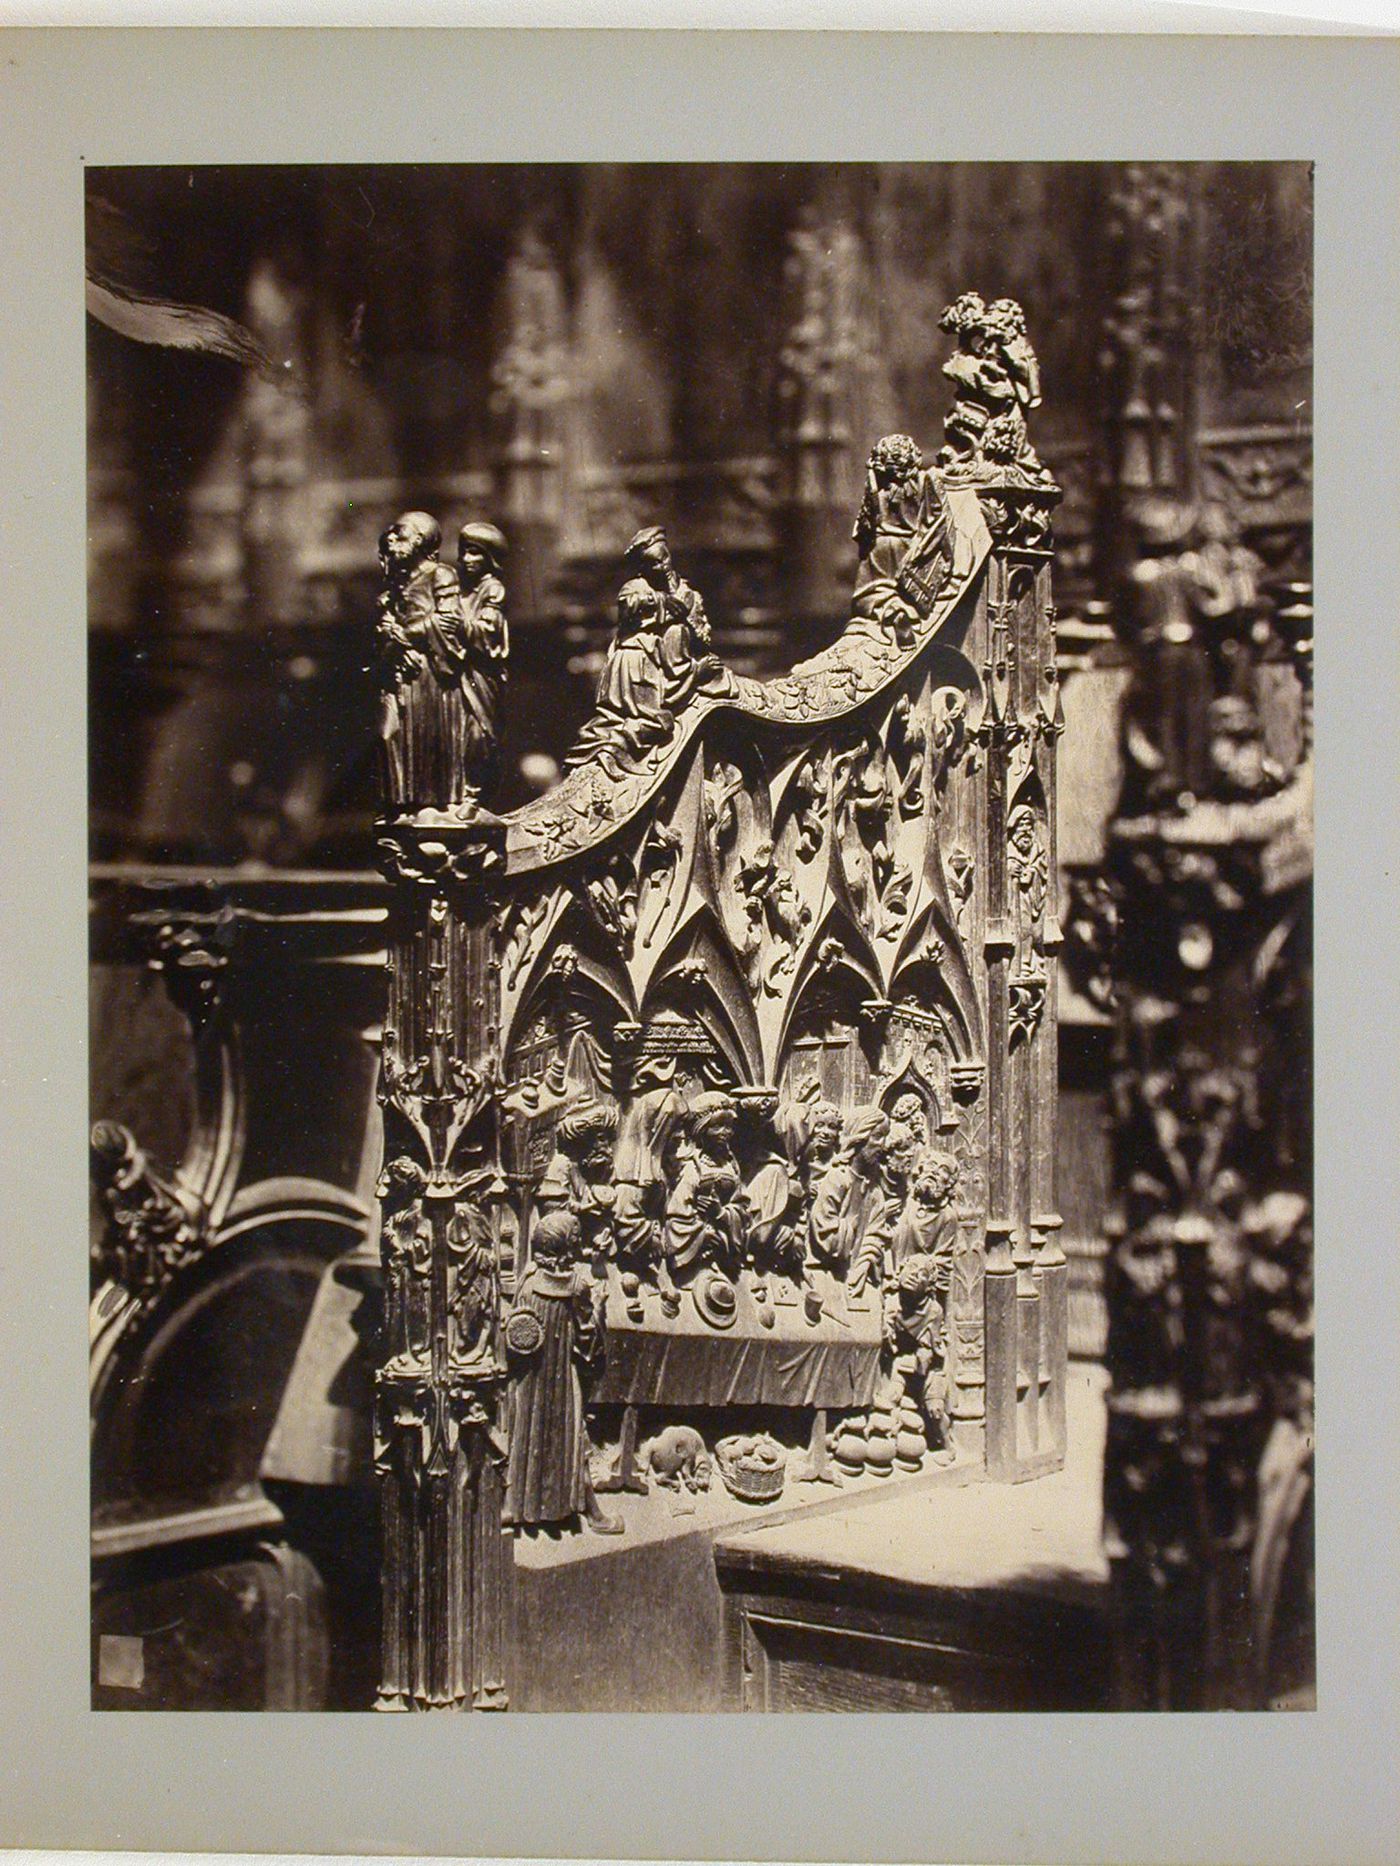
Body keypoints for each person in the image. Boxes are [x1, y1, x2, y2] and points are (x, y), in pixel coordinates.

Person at [503, 1210, 619, 1533]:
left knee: (526, 1435)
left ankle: (521, 1505)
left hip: (529, 1379)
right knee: (571, 1437)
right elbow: (587, 1340)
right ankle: (588, 1512)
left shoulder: (527, 1280)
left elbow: (517, 1329)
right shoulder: (577, 1286)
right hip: (562, 1378)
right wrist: (599, 1307)